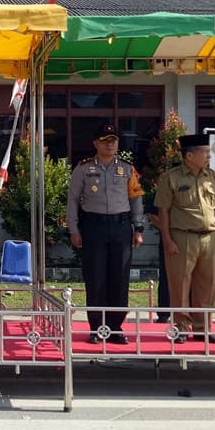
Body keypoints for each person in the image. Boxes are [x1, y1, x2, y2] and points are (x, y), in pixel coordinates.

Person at [66, 123, 144, 345]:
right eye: (105, 141)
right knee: (96, 278)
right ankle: (97, 328)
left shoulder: (128, 169)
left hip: (121, 227)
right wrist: (74, 229)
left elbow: (136, 199)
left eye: (114, 140)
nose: (110, 145)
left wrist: (138, 228)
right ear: (96, 144)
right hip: (94, 227)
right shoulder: (83, 169)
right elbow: (72, 200)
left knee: (119, 279)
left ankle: (116, 327)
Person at [154, 134, 215, 344]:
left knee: (208, 284)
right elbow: (163, 210)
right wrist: (167, 239)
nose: (208, 156)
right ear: (189, 155)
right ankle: (182, 327)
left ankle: (203, 327)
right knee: (180, 284)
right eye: (205, 152)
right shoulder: (171, 177)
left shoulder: (211, 176)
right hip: (182, 236)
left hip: (209, 237)